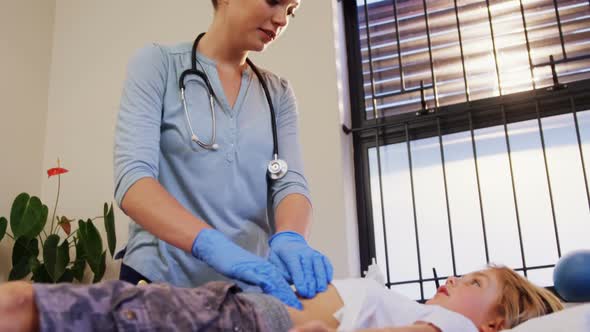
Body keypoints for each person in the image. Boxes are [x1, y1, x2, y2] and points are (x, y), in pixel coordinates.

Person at [113, 0, 332, 309]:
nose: (282, 19)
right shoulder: (157, 64)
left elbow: (289, 182)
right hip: (157, 286)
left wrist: (291, 237)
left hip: (245, 296)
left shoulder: (277, 94)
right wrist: (210, 244)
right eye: (274, 2)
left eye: (291, 10)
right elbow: (133, 181)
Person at [0, 265, 563, 332]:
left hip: (250, 320)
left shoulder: (450, 328)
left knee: (28, 307)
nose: (454, 282)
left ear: (495, 324)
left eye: (474, 286)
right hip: (239, 312)